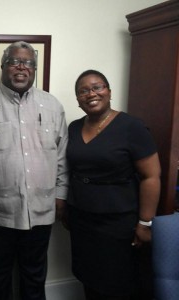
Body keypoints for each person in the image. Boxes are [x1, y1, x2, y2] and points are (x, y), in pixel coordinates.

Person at [0, 41, 69, 300]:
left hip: (40, 209)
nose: (21, 68)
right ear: (3, 66)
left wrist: (61, 194)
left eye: (28, 63)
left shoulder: (53, 106)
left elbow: (62, 156)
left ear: (34, 69)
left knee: (34, 276)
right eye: (14, 62)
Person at [66, 69, 161, 300]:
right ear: (78, 100)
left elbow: (152, 176)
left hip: (117, 220)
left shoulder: (132, 127)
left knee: (116, 280)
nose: (91, 94)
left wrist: (145, 223)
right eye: (83, 91)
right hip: (81, 217)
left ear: (109, 91)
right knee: (88, 275)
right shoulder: (74, 128)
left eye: (97, 87)